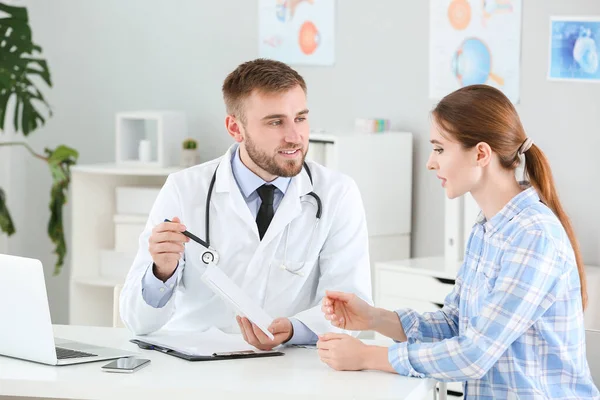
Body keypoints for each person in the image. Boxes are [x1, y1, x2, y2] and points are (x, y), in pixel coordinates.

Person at [317, 85, 599, 399]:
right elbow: (455, 323)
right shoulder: (486, 229)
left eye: (439, 149)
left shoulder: (534, 236)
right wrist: (375, 318)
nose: (430, 163)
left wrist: (369, 356)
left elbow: (474, 354)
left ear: (480, 154)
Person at [120, 59, 372, 350]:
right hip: (196, 369)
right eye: (276, 122)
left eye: (300, 118)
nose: (295, 137)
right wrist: (161, 271)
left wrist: (293, 330)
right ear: (235, 128)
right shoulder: (184, 190)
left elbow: (351, 306)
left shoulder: (337, 194)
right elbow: (137, 322)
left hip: (289, 367)